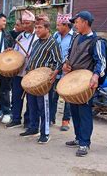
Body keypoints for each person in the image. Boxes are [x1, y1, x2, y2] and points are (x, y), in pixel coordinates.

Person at [62, 11, 106, 157]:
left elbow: (101, 62)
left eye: (77, 22)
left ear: (85, 22)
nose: (75, 25)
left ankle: (84, 143)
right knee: (74, 110)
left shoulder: (96, 41)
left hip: (85, 82)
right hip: (73, 80)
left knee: (84, 112)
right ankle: (78, 137)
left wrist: (95, 76)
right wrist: (66, 65)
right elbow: (69, 55)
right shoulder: (76, 37)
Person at [19, 15, 62, 144]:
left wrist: (52, 73)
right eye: (36, 27)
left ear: (47, 29)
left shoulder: (53, 43)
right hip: (32, 79)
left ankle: (45, 133)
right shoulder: (36, 42)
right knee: (31, 105)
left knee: (44, 107)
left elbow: (58, 62)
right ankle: (33, 128)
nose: (36, 30)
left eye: (39, 28)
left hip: (44, 81)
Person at [6, 10, 36, 129]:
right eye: (23, 23)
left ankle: (28, 121)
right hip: (19, 71)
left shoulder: (37, 37)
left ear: (33, 23)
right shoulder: (20, 36)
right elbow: (16, 52)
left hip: (31, 72)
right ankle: (16, 118)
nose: (25, 26)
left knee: (30, 98)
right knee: (16, 96)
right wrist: (10, 51)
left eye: (27, 23)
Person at [50, 13, 74, 131]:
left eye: (59, 25)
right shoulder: (55, 35)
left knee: (67, 97)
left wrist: (67, 64)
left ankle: (65, 121)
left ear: (66, 25)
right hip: (56, 69)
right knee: (53, 95)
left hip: (67, 71)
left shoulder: (74, 37)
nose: (57, 27)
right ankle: (51, 118)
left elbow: (73, 53)